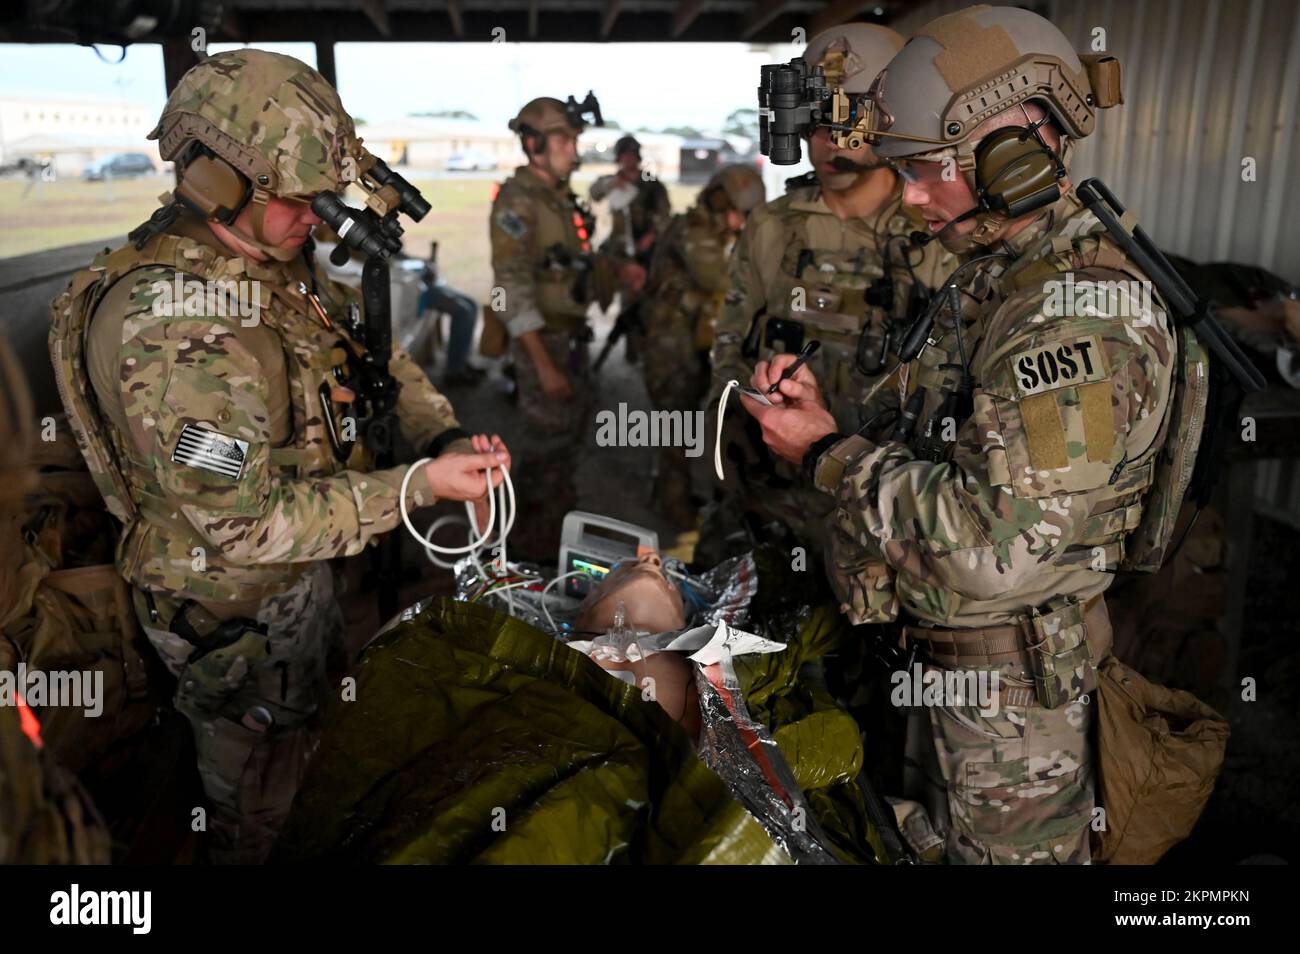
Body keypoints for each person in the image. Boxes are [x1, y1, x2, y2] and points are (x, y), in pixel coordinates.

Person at [743, 4, 1186, 864]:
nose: (907, 195)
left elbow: (994, 543)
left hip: (1008, 717)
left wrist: (827, 457)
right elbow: (943, 438)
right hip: (951, 675)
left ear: (1015, 153)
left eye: (925, 170)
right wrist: (827, 410)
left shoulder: (1074, 316)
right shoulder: (1005, 277)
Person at [48, 49, 511, 863]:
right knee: (267, 822)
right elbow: (244, 527)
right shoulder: (177, 324)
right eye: (301, 200)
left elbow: (374, 355)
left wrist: (439, 436)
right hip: (235, 618)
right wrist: (415, 487)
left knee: (319, 768)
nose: (318, 221)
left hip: (305, 580)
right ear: (219, 184)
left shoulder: (265, 264)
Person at [703, 23, 955, 564]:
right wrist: (754, 399)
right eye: (815, 124)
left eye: (847, 123)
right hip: (772, 498)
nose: (830, 143)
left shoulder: (941, 232)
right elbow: (728, 341)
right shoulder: (772, 227)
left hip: (886, 513)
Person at [490, 96, 644, 560]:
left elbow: (572, 260)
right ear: (534, 144)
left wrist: (615, 267)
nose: (573, 148)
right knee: (542, 452)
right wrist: (543, 366)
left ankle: (556, 529)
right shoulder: (517, 203)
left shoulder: (557, 197)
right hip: (545, 343)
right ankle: (523, 554)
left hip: (568, 337)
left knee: (567, 442)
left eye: (574, 138)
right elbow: (510, 290)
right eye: (563, 138)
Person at [641, 164, 765, 528]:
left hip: (691, 339)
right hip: (671, 343)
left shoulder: (714, 230)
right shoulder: (694, 230)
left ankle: (671, 492)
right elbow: (719, 279)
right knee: (675, 423)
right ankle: (672, 503)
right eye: (738, 213)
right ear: (718, 201)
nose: (742, 223)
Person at [590, 134, 672, 366]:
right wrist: (612, 183)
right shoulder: (613, 181)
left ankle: (643, 350)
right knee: (626, 302)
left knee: (644, 302)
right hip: (619, 252)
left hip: (646, 253)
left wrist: (652, 234)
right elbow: (595, 192)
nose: (628, 161)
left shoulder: (650, 183)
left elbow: (665, 214)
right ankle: (631, 351)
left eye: (631, 156)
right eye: (624, 156)